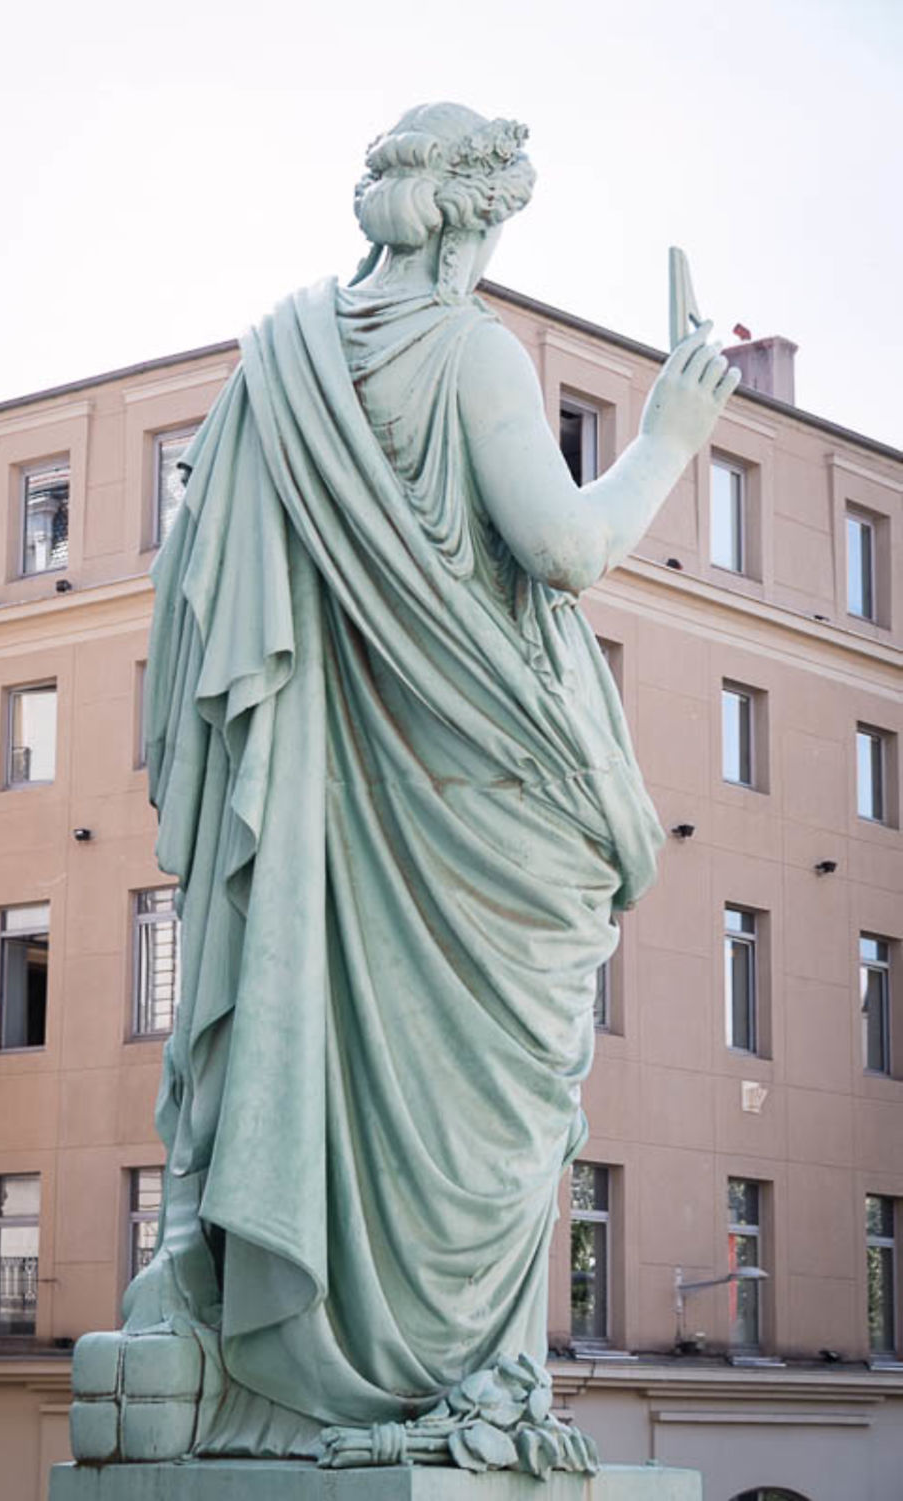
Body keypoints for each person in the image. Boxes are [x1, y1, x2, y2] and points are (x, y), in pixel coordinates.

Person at [71, 102, 738, 1465]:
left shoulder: (278, 363)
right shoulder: (473, 354)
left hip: (335, 804)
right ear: (483, 218)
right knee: (487, 1111)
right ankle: (448, 1373)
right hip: (477, 803)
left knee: (319, 1052)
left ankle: (291, 1361)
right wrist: (671, 436)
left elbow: (204, 592)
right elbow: (560, 549)